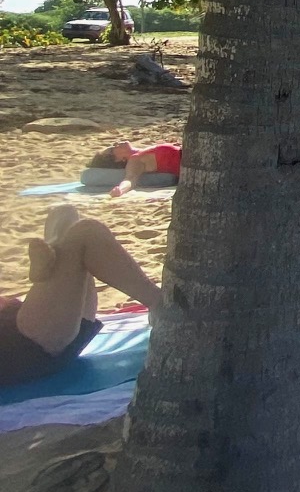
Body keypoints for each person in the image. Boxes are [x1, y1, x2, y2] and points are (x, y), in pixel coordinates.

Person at [0, 205, 161, 388]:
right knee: (85, 233)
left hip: (44, 328)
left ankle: (50, 255)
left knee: (63, 215)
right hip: (25, 346)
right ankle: (164, 305)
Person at [89, 138, 182, 194]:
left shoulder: (142, 151)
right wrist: (120, 190)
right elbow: (130, 179)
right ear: (117, 160)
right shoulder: (135, 160)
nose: (117, 144)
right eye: (113, 148)